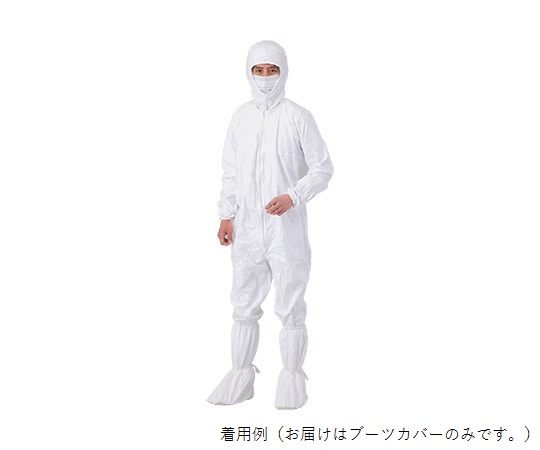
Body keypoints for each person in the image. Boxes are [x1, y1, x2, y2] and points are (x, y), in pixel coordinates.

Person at [207, 40, 333, 409]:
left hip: (285, 227)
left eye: (272, 70)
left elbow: (322, 169)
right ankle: (240, 377)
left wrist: (293, 195)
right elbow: (231, 171)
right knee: (243, 303)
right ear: (249, 73)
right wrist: (226, 215)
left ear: (283, 72)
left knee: (290, 304)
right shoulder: (240, 117)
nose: (265, 78)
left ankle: (292, 381)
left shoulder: (297, 116)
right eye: (258, 70)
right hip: (246, 226)